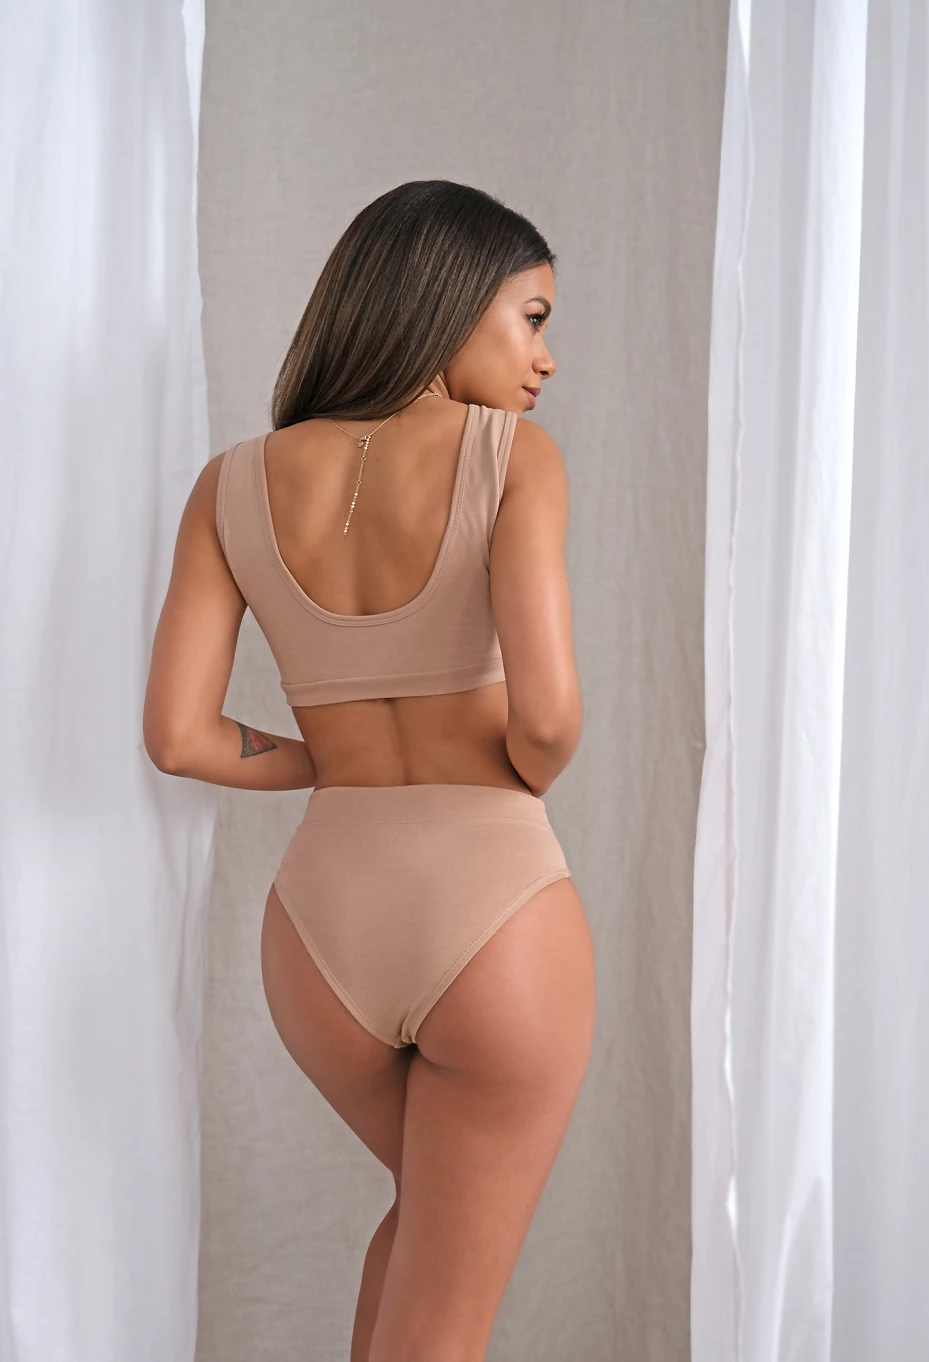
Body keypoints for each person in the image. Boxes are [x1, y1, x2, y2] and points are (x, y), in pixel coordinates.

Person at [142, 179, 595, 1362]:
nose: (545, 358)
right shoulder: (515, 458)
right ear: (447, 303)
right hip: (490, 908)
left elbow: (180, 736)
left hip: (318, 931)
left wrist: (334, 761)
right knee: (446, 1317)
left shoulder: (232, 483)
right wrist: (502, 772)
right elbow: (550, 721)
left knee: (421, 1247)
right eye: (532, 318)